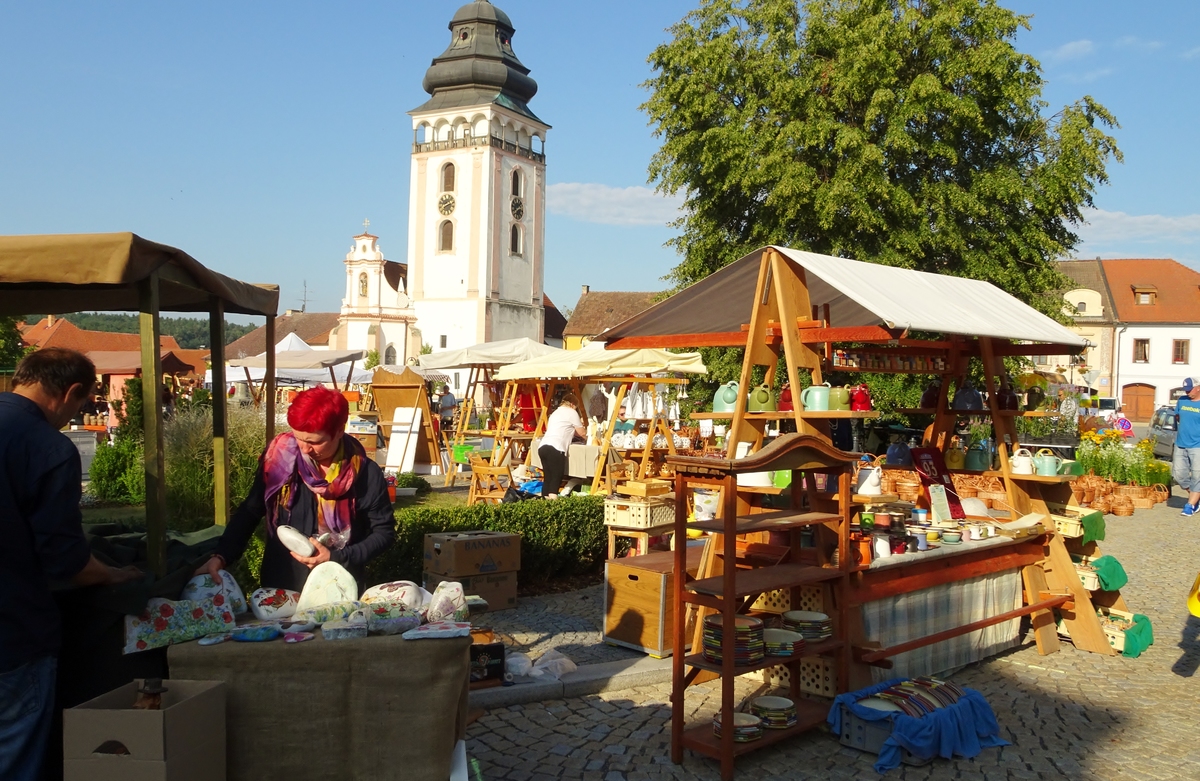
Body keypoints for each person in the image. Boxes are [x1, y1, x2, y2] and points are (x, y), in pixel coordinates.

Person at [1, 348, 141, 781]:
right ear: (73, 392)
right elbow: (67, 561)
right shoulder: (48, 448)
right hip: (13, 635)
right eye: (81, 405)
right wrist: (115, 574)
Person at [194, 386, 395, 592]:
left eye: (314, 442)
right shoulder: (279, 460)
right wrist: (220, 556)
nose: (305, 449)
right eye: (299, 438)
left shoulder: (365, 474)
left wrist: (337, 557)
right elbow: (251, 511)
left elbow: (384, 533)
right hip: (281, 586)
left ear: (338, 432)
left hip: (339, 588)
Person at [538, 392, 585, 497]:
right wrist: (588, 437)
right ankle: (553, 502)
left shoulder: (554, 414)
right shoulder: (571, 412)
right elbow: (582, 432)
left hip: (543, 446)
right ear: (572, 404)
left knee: (548, 478)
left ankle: (544, 503)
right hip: (556, 447)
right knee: (556, 477)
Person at [1174, 377, 1200, 516]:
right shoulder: (1182, 401)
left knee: (1197, 475)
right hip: (1180, 444)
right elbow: (1177, 417)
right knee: (1178, 475)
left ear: (1198, 387)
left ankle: (1190, 505)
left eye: (1190, 389)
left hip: (1198, 445)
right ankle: (1196, 496)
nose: (1187, 392)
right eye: (1185, 389)